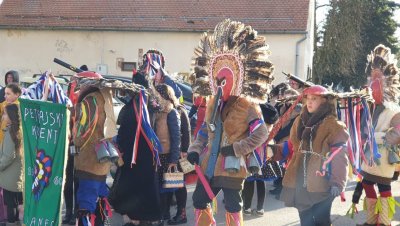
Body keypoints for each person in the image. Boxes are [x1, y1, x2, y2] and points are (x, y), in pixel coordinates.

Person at [187, 19, 274, 225]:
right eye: (217, 81)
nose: (220, 85)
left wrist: (237, 148)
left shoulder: (248, 105)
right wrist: (195, 149)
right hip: (209, 164)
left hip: (233, 166)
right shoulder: (211, 104)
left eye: (224, 81)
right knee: (199, 200)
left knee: (233, 205)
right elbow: (203, 133)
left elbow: (261, 134)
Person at [272, 85, 349, 226]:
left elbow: (339, 155)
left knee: (322, 221)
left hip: (322, 181)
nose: (310, 102)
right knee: (305, 221)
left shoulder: (334, 125)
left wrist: (337, 182)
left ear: (324, 101)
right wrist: (272, 151)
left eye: (314, 99)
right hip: (300, 180)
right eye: (307, 98)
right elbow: (292, 146)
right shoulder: (299, 121)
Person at [109, 72, 163, 226]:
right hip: (148, 156)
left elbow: (123, 133)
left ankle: (134, 219)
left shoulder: (130, 108)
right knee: (146, 187)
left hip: (133, 157)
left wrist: (121, 150)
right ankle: (146, 218)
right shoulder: (152, 105)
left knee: (132, 189)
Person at [356, 44, 400, 226]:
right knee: (366, 183)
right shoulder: (367, 106)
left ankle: (384, 221)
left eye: (378, 78)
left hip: (383, 155)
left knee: (384, 187)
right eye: (371, 78)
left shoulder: (393, 110)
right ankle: (372, 218)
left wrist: (386, 135)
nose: (373, 83)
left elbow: (397, 130)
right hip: (369, 156)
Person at [72, 71, 118, 225]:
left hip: (88, 161)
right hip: (102, 159)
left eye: (81, 83)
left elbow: (81, 133)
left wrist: (74, 141)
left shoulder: (89, 101)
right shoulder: (106, 99)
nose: (79, 87)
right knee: (99, 202)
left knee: (86, 205)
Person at [242, 103, 279, 216]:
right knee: (261, 183)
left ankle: (247, 208)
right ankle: (260, 209)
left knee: (249, 182)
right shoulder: (270, 127)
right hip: (265, 157)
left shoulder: (256, 124)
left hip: (252, 155)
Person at [152, 84, 181, 223]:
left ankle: (165, 214)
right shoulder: (155, 111)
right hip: (157, 155)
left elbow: (176, 138)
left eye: (157, 94)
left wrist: (174, 159)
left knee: (168, 188)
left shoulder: (171, 112)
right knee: (158, 188)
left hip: (168, 156)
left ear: (164, 95)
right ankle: (160, 214)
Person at [168, 100, 191, 225]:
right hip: (168, 153)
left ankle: (181, 214)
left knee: (179, 185)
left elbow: (186, 131)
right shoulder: (163, 108)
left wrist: (185, 150)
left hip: (178, 154)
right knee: (171, 184)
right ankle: (169, 212)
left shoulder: (179, 109)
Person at [0, 104, 23, 226]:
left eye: (5, 114)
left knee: (10, 206)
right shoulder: (19, 130)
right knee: (15, 204)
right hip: (17, 176)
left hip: (9, 176)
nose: (3, 116)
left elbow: (8, 156)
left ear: (11, 116)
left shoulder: (10, 133)